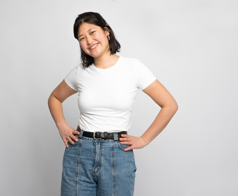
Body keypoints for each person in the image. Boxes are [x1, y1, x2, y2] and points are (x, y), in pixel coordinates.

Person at [48, 11, 178, 196]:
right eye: (82, 38)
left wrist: (144, 139)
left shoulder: (133, 68)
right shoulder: (80, 72)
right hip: (79, 153)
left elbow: (170, 104)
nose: (89, 41)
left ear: (106, 31)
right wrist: (61, 124)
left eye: (92, 32)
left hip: (117, 154)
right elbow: (54, 98)